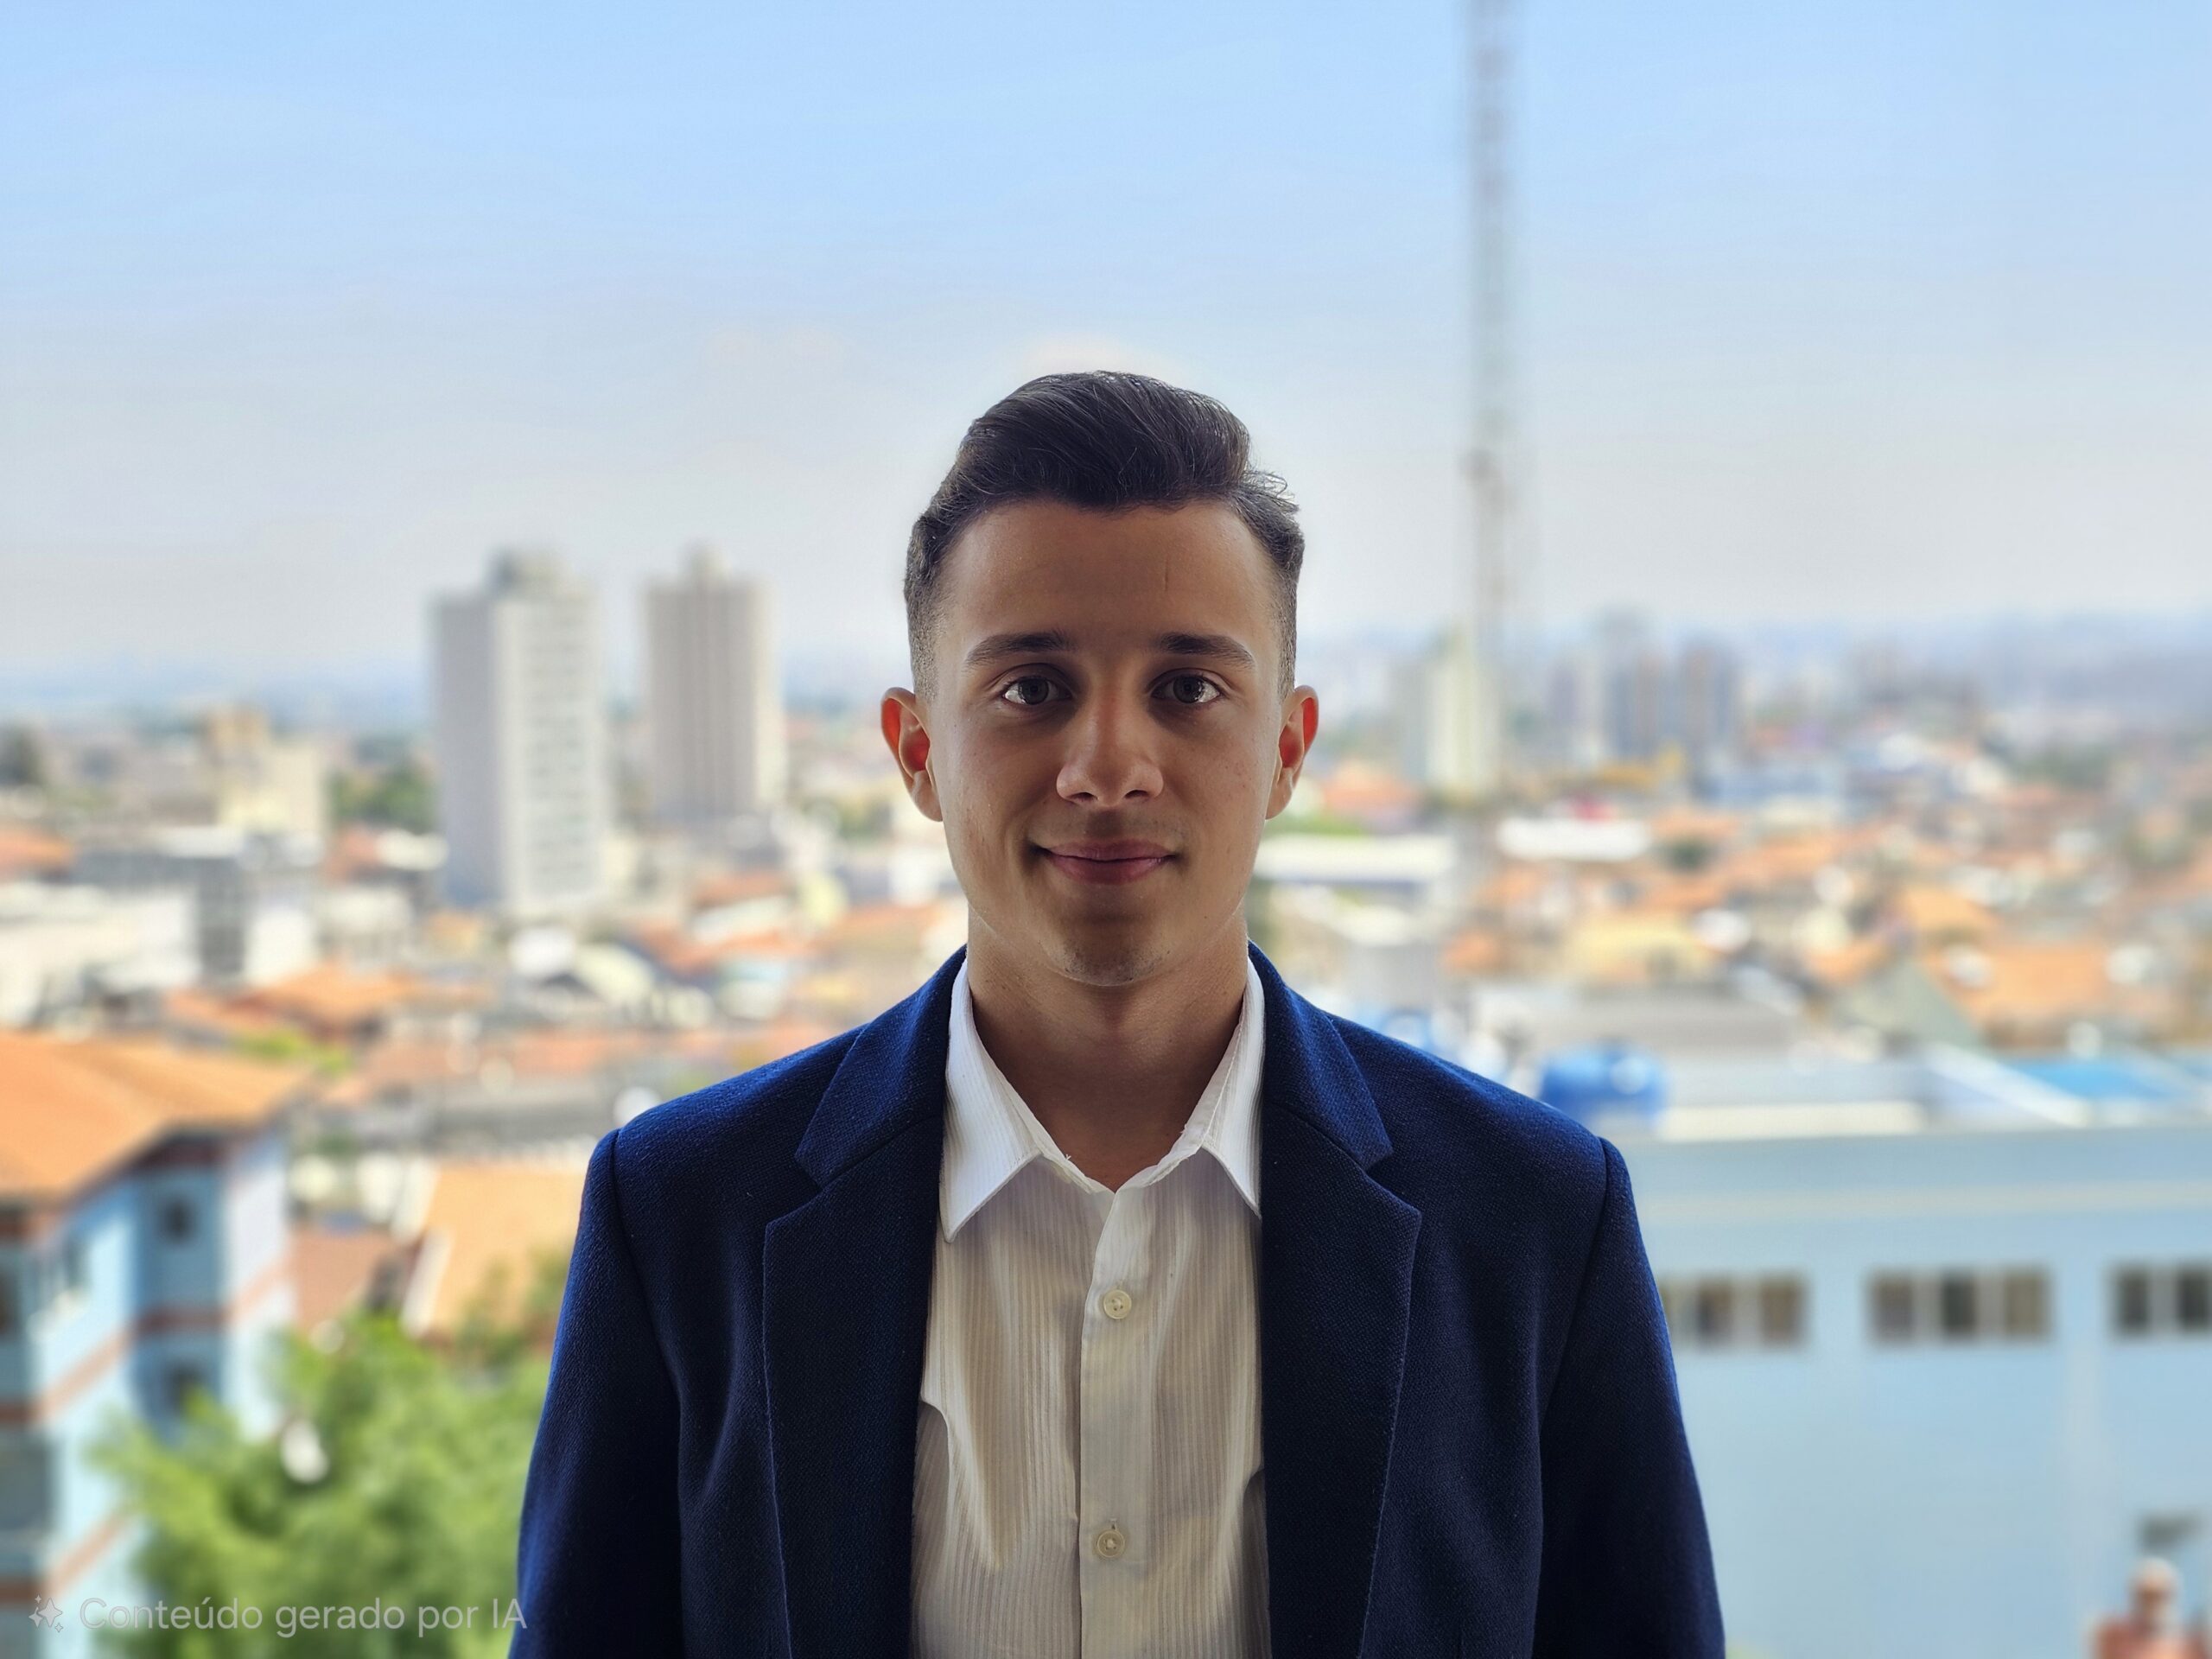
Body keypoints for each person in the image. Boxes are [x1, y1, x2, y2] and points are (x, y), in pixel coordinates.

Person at [509, 371, 1725, 1656]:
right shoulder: (683, 1217)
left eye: (1187, 689)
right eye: (1030, 689)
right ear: (917, 752)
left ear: (1288, 748)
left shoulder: (1534, 1223)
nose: (1108, 768)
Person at [2093, 1559, 2212, 1659]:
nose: (2151, 1603)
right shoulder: (2115, 1637)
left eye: (2158, 1595)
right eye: (2146, 1595)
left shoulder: (2190, 1646)